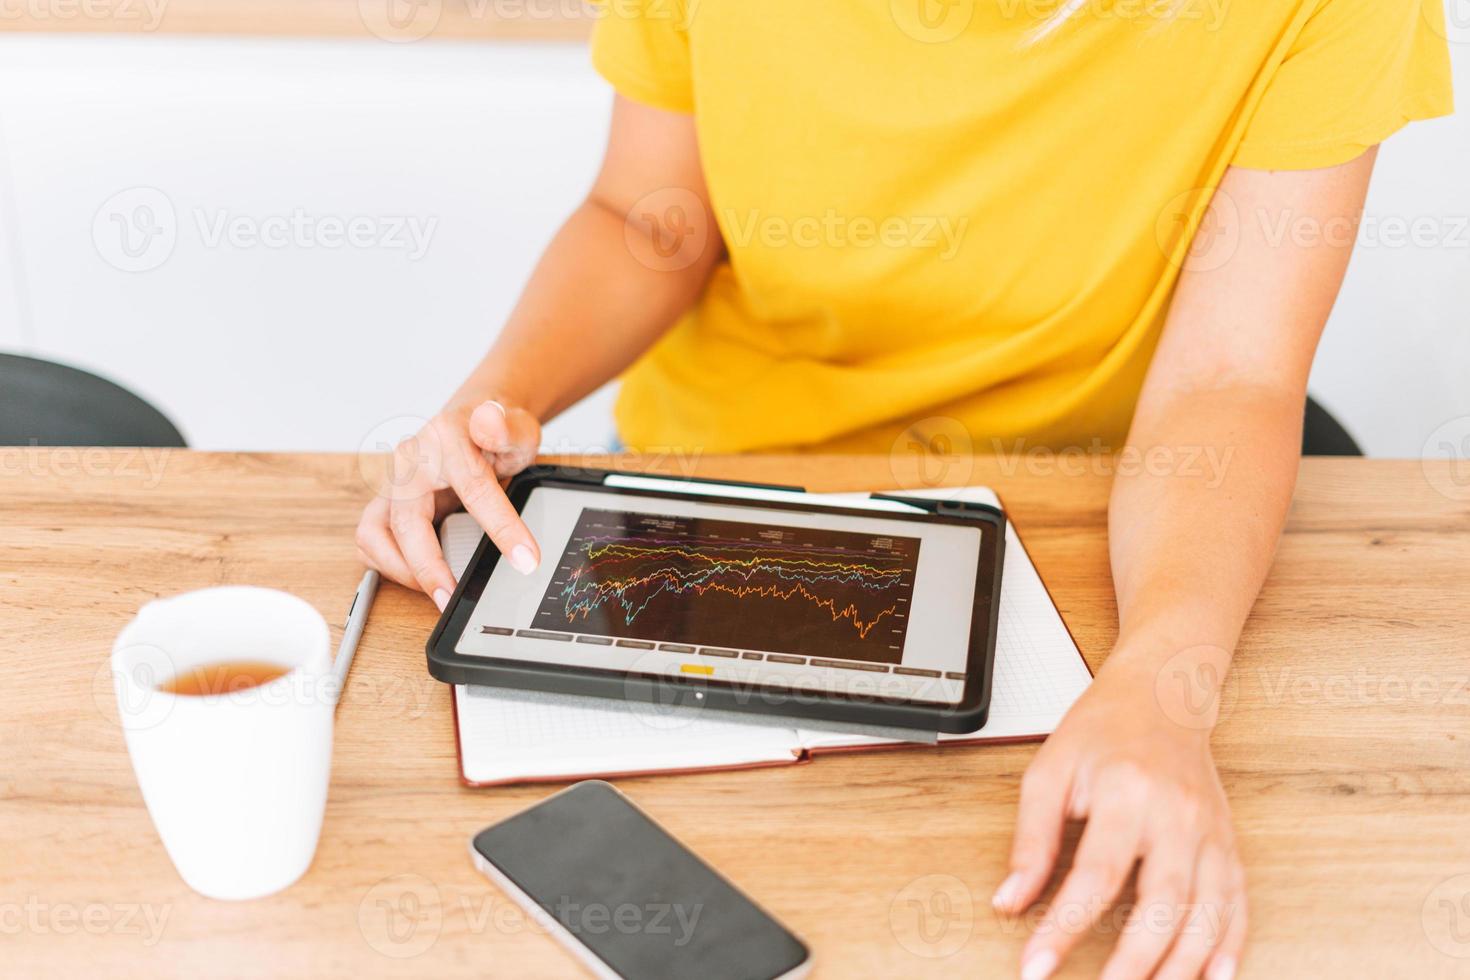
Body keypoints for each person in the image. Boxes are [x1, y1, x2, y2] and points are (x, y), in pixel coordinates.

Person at [356, 3, 1454, 976]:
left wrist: (1165, 680)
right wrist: (493, 404)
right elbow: (650, 221)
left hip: (1085, 543)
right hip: (705, 497)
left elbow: (1232, 375)